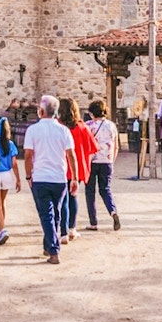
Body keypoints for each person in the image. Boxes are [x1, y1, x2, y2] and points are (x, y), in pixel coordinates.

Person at [22, 95, 77, 265]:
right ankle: (48, 245)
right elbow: (71, 155)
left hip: (41, 177)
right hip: (59, 178)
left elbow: (28, 155)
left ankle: (54, 250)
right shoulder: (63, 130)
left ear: (41, 111)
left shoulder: (33, 130)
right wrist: (74, 177)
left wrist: (29, 175)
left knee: (46, 214)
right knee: (56, 213)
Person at [58, 98, 96, 243]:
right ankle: (72, 228)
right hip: (77, 168)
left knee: (62, 199)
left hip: (61, 167)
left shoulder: (59, 127)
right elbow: (92, 148)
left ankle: (62, 229)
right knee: (73, 197)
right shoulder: (82, 127)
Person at [84, 100, 121, 231]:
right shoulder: (111, 126)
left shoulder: (88, 125)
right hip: (107, 161)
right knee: (105, 189)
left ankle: (93, 222)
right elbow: (116, 146)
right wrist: (112, 160)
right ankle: (113, 211)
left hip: (91, 162)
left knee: (90, 191)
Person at [0, 115, 21, 245]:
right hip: (6, 174)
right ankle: (1, 228)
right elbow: (14, 163)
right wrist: (18, 179)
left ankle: (3, 229)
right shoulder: (10, 144)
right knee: (3, 202)